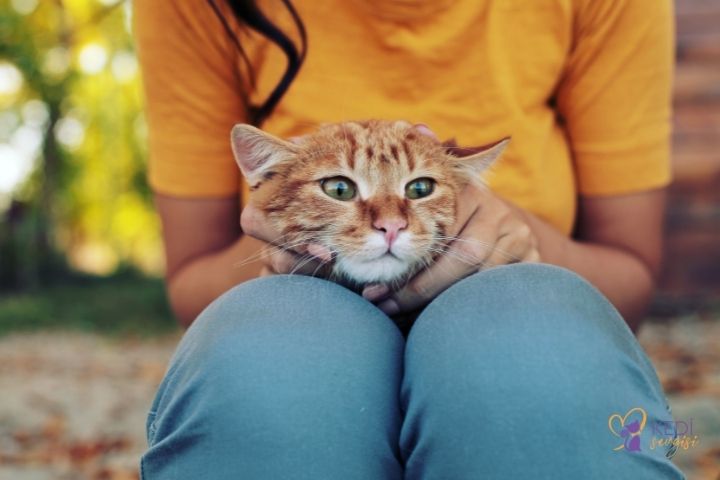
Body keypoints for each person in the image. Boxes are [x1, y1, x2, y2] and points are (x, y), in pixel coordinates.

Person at [134, 0, 684, 478]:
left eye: (416, 190)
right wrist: (284, 253)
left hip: (513, 295)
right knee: (269, 359)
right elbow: (191, 280)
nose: (388, 220)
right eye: (344, 189)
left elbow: (631, 273)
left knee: (532, 337)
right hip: (291, 301)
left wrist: (521, 240)